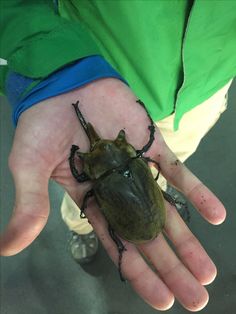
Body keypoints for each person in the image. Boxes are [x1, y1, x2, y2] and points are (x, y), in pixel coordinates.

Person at [0, 0, 235, 312]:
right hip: (96, 55)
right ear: (125, 146)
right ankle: (81, 227)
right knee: (84, 203)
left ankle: (96, 224)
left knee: (113, 191)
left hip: (206, 85)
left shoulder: (116, 167)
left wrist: (77, 153)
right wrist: (52, 68)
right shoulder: (131, 161)